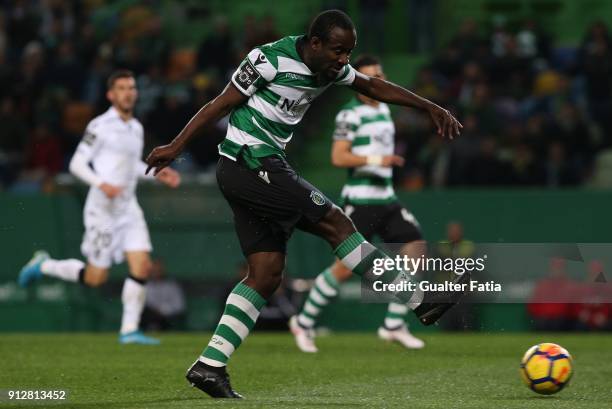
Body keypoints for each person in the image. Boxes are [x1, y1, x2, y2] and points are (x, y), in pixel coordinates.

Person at [146, 10, 466, 398]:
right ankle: (419, 299)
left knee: (265, 273)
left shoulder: (330, 68)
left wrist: (429, 106)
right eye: (337, 50)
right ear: (314, 43)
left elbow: (374, 86)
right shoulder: (269, 59)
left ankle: (210, 366)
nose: (343, 59)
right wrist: (175, 147)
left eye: (348, 52)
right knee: (337, 224)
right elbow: (220, 104)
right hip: (250, 161)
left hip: (253, 168)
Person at [18, 70, 181, 345]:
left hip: (128, 208)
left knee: (142, 266)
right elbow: (76, 164)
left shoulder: (136, 128)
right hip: (102, 209)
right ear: (110, 94)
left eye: (131, 87)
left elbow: (131, 166)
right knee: (96, 277)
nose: (128, 92)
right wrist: (101, 183)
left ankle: (129, 330)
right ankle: (44, 265)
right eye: (121, 88)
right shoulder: (99, 126)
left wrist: (156, 173)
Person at [289, 55, 425, 353]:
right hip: (359, 201)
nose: (379, 80)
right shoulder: (348, 115)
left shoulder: (386, 109)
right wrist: (378, 159)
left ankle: (393, 324)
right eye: (371, 76)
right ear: (359, 83)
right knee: (342, 269)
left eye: (380, 74)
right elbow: (338, 157)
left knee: (415, 247)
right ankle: (304, 321)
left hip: (386, 199)